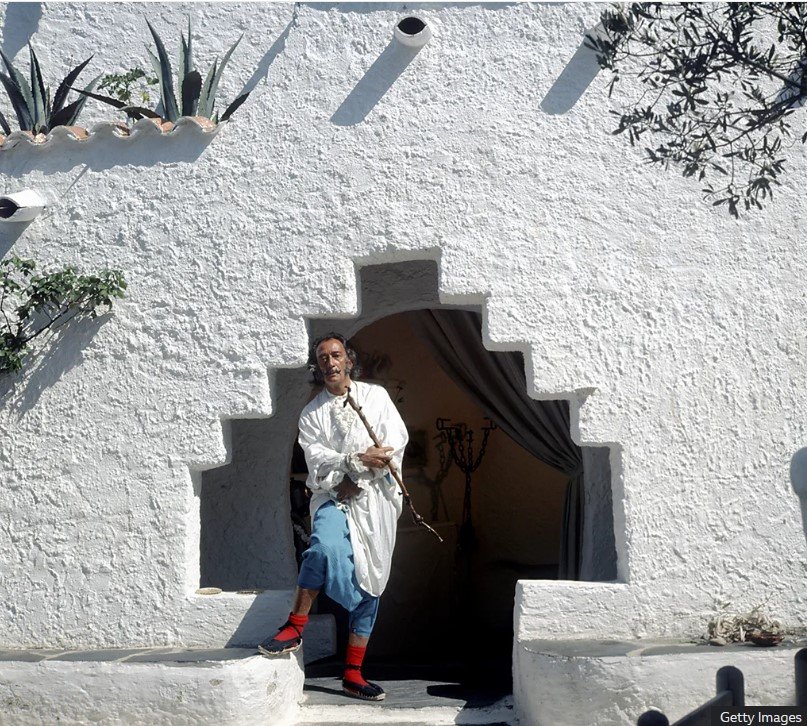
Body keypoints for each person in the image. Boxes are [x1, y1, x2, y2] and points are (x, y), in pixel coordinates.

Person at [258, 332, 408, 702]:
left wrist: (358, 478)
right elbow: (317, 460)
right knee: (322, 547)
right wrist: (353, 464)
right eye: (322, 358)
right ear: (318, 366)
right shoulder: (311, 414)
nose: (329, 362)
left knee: (371, 582)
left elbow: (392, 445)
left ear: (349, 361)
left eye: (335, 355)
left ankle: (353, 673)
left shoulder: (376, 397)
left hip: (375, 503)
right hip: (330, 496)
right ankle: (295, 626)